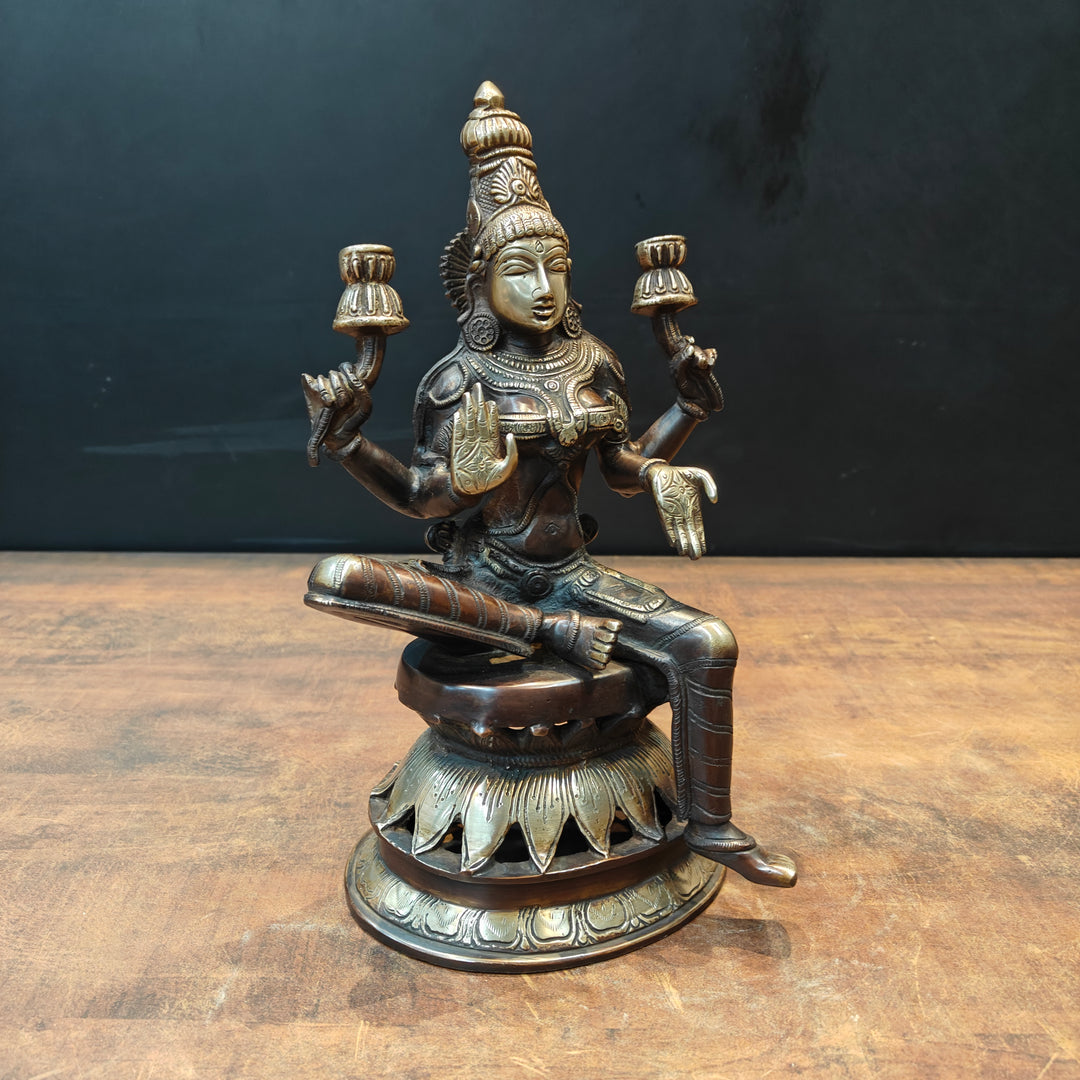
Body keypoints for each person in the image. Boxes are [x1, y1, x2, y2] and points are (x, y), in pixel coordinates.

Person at [302, 82, 795, 888]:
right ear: (480, 284)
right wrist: (365, 448)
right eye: (520, 269)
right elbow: (423, 496)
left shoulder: (592, 361)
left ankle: (710, 825)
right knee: (347, 579)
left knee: (707, 643)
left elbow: (620, 466)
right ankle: (534, 638)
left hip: (572, 576)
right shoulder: (459, 381)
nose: (543, 286)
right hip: (487, 582)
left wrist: (678, 432)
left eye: (556, 267)